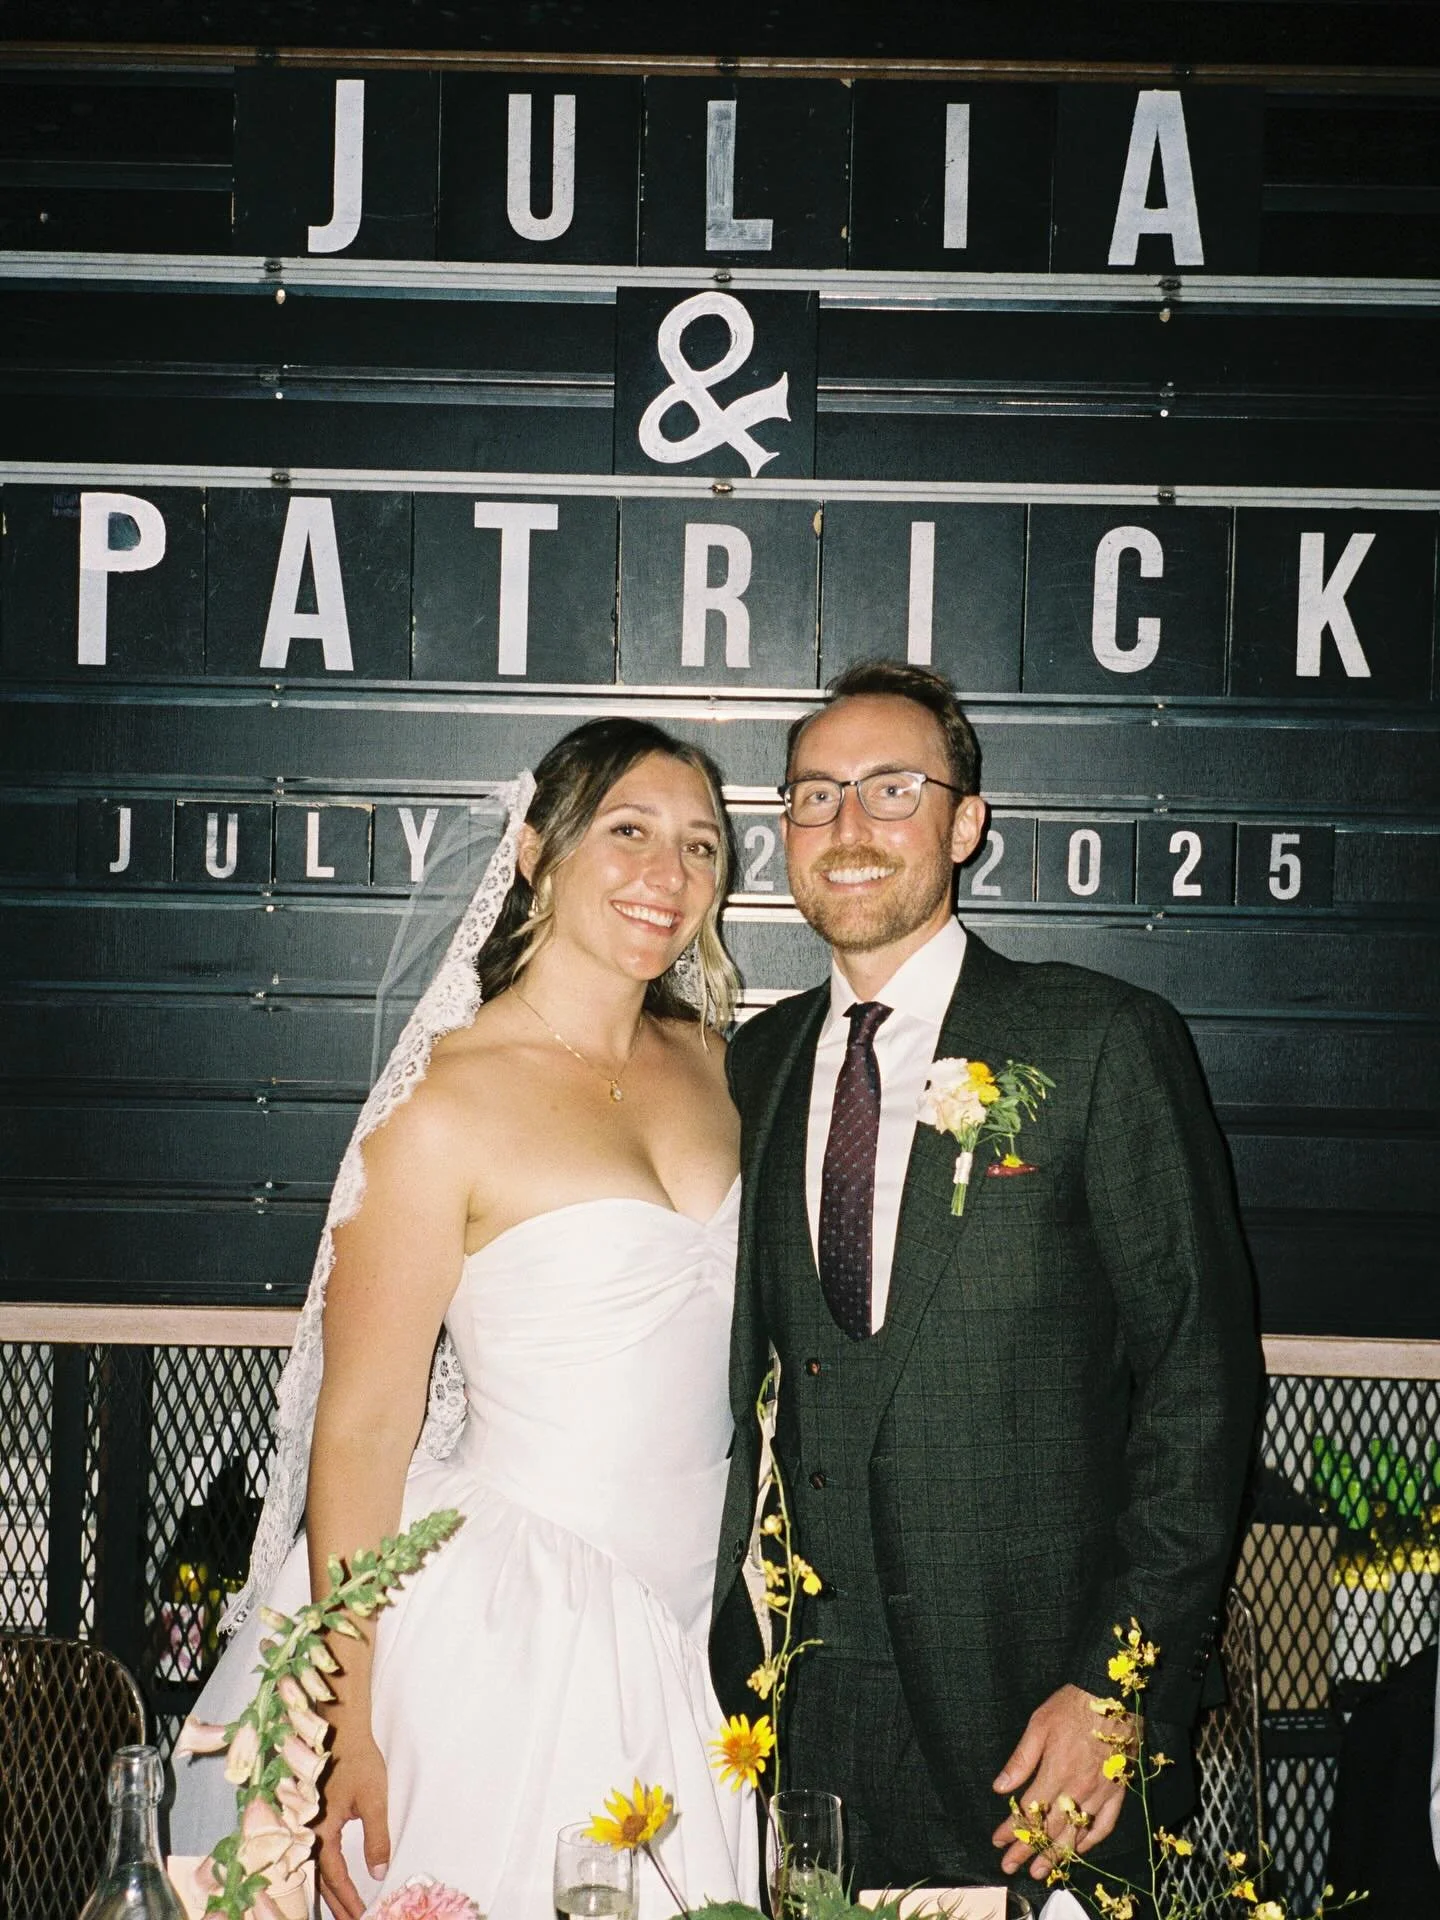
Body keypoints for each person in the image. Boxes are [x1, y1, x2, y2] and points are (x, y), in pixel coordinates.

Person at [173, 718, 759, 1920]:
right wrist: (351, 1718)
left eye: (701, 846)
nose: (670, 876)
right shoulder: (442, 1108)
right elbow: (364, 1430)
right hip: (512, 1625)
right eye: (631, 832)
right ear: (537, 852)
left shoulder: (721, 1064)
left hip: (702, 1626)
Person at [710, 659, 1260, 1896]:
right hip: (796, 1718)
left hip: (1039, 1723)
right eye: (813, 796)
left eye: (891, 789)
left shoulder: (1101, 1041)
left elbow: (1199, 1386)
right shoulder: (753, 1066)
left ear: (966, 824)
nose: (847, 829)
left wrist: (1119, 1689)